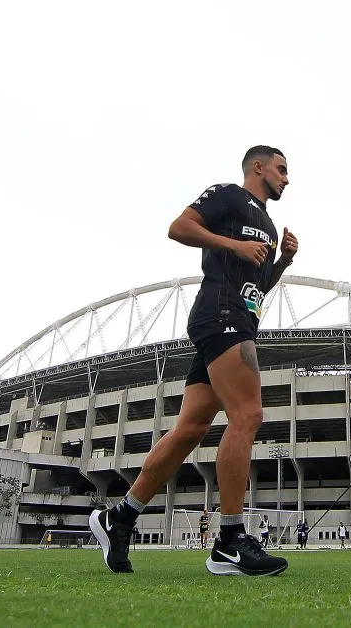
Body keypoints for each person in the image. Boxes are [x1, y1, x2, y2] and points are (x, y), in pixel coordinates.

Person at [88, 146, 296, 577]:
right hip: (220, 316)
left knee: (190, 430)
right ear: (257, 167)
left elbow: (259, 283)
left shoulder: (270, 226)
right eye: (281, 169)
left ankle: (120, 516)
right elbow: (178, 227)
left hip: (239, 318)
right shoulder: (227, 196)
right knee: (248, 414)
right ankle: (230, 541)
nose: (286, 179)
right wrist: (232, 244)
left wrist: (284, 262)